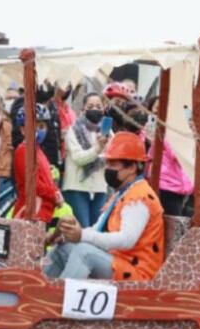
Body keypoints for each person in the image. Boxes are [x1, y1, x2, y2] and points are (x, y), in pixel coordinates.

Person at [47, 132, 165, 281]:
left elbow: (126, 240)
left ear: (132, 168)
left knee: (85, 253)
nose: (108, 168)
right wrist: (71, 235)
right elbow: (96, 229)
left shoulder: (140, 196)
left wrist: (82, 236)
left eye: (113, 164)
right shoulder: (122, 193)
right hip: (117, 260)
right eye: (108, 163)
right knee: (64, 247)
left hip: (137, 271)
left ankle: (58, 298)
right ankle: (37, 290)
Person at [63, 93, 109, 226]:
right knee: (82, 230)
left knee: (97, 229)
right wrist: (98, 149)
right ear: (83, 110)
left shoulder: (107, 131)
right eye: (90, 106)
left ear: (103, 109)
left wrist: (104, 150)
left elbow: (112, 155)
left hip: (99, 188)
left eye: (98, 106)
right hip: (77, 187)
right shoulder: (73, 130)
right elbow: (79, 158)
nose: (95, 109)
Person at [144, 96, 194, 217]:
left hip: (177, 185)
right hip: (167, 186)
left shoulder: (173, 130)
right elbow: (177, 154)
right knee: (172, 225)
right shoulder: (166, 131)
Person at [12, 104, 62, 224]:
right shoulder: (23, 150)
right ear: (23, 130)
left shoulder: (38, 150)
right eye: (34, 126)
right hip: (30, 213)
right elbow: (33, 183)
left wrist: (56, 191)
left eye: (42, 126)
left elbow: (46, 179)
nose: (38, 130)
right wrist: (54, 194)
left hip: (42, 213)